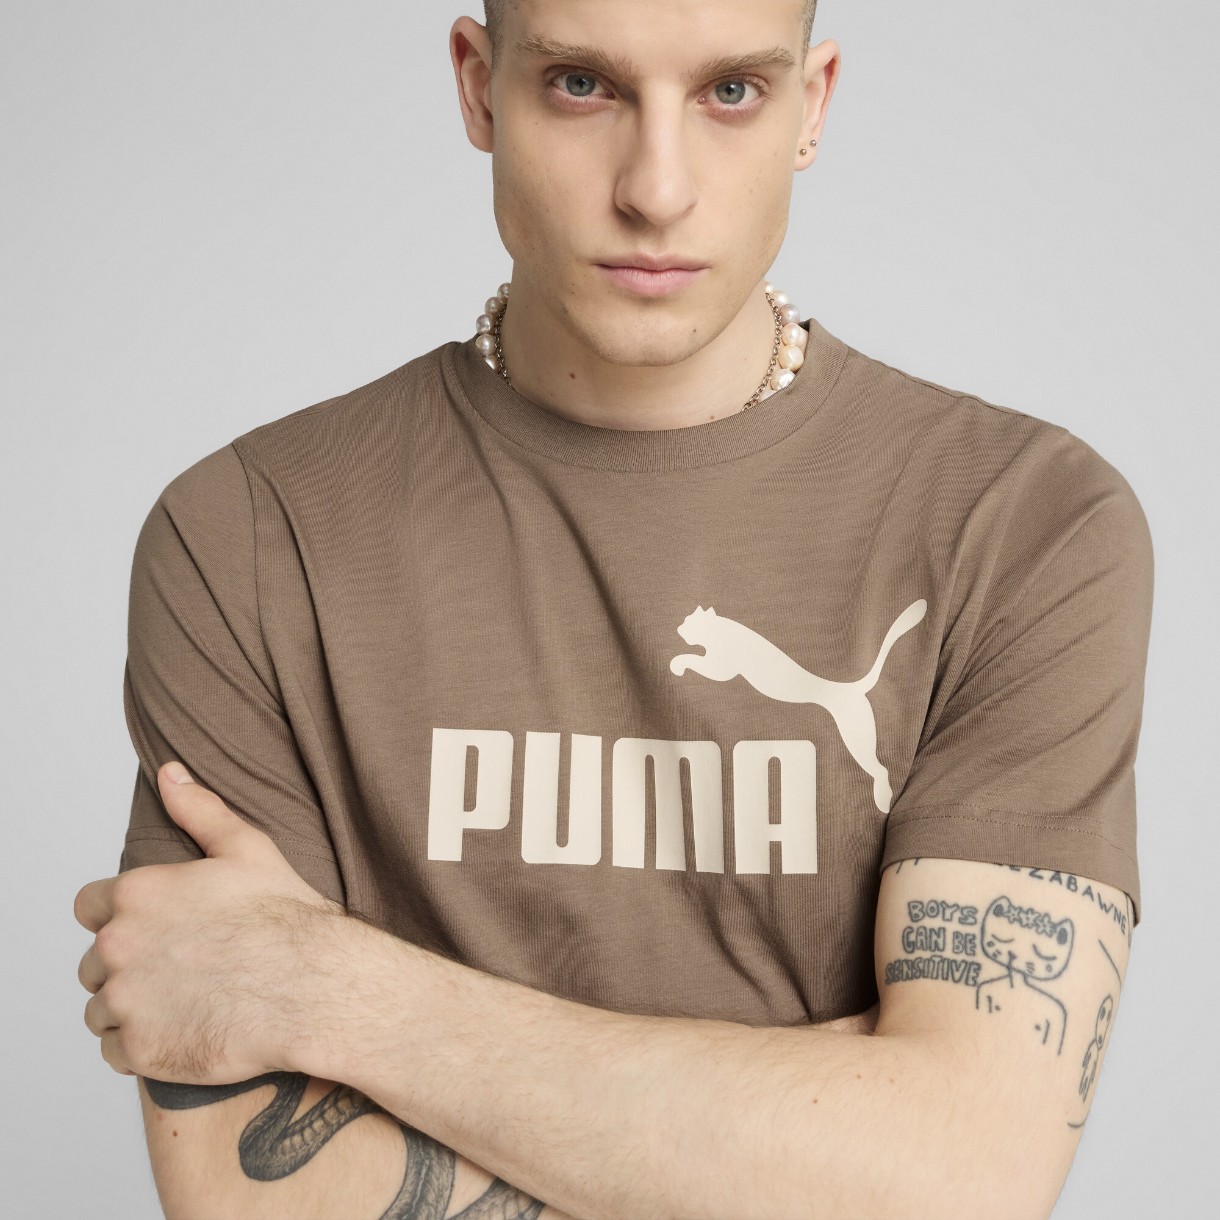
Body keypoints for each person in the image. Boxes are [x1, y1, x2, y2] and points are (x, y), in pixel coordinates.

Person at [73, 1, 1153, 1217]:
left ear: (811, 105)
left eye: (730, 92)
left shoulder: (1022, 522)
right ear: (478, 87)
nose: (656, 188)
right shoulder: (254, 531)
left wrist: (331, 989)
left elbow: (961, 1175)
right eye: (581, 85)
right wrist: (833, 1122)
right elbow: (252, 1190)